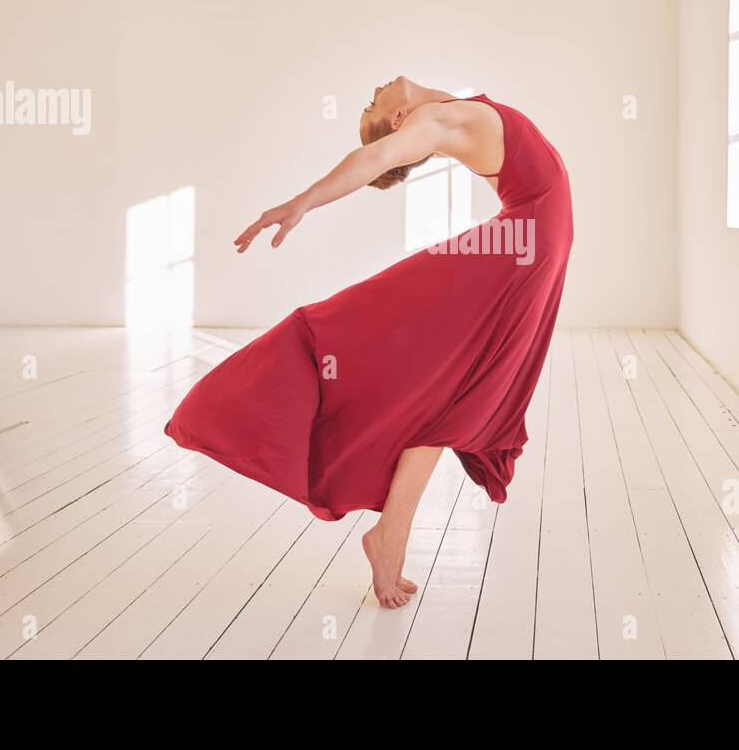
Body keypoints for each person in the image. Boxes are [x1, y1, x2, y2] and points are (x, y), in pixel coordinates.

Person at [165, 77, 573, 608]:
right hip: (520, 251)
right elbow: (376, 157)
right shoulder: (432, 122)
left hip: (527, 249)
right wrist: (302, 202)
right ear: (401, 119)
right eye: (372, 104)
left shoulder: (449, 110)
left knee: (452, 393)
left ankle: (389, 537)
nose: (375, 89)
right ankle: (388, 536)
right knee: (447, 388)